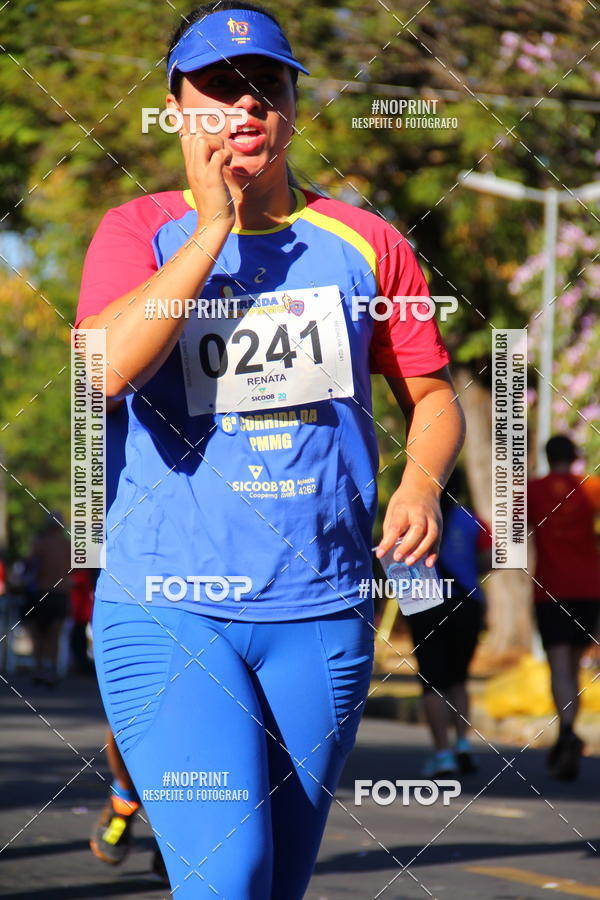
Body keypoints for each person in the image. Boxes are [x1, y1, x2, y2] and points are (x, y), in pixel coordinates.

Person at [76, 3, 465, 896]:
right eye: (217, 91)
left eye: (266, 88)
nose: (244, 107)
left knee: (278, 883)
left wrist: (420, 482)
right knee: (229, 873)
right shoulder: (137, 234)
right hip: (171, 604)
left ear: (293, 107)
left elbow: (433, 394)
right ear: (176, 111)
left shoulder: (369, 244)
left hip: (324, 612)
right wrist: (213, 229)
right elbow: (100, 372)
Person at [406, 467, 491, 779]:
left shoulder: (411, 517)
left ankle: (442, 754)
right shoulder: (471, 520)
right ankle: (463, 743)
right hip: (467, 604)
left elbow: (393, 558)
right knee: (459, 678)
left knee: (432, 681)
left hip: (425, 603)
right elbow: (489, 559)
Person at [528, 434, 600, 780]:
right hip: (589, 590)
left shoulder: (532, 491)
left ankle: (567, 730)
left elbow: (513, 536)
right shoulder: (591, 488)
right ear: (573, 457)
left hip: (550, 590)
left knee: (559, 667)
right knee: (574, 667)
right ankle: (568, 731)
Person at [22, 514, 71, 686]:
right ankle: (50, 668)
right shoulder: (67, 545)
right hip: (60, 593)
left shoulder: (40, 544)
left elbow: (29, 566)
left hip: (43, 591)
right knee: (54, 633)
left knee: (39, 633)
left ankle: (40, 667)